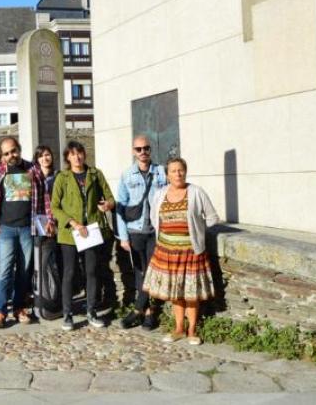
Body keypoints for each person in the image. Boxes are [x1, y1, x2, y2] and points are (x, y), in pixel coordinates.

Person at [144, 157, 219, 346]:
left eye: (181, 170)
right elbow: (154, 218)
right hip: (167, 252)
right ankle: (178, 328)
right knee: (175, 292)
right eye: (173, 171)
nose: (178, 174)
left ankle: (192, 329)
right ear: (167, 175)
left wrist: (197, 230)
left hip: (191, 252)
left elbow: (212, 218)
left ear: (185, 172)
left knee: (191, 293)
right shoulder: (160, 194)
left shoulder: (196, 192)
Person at [0, 137, 54, 329]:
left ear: (19, 149)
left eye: (13, 151)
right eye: (6, 153)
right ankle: (0, 310)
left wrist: (48, 221)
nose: (11, 155)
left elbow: (45, 198)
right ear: (2, 156)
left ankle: (19, 307)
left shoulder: (33, 169)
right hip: (5, 229)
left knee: (24, 270)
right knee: (4, 270)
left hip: (27, 228)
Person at [51, 141, 116, 331]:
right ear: (67, 157)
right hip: (70, 233)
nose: (77, 157)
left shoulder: (95, 174)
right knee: (70, 273)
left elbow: (110, 198)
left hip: (91, 231)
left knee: (91, 272)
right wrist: (73, 223)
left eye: (79, 153)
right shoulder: (62, 177)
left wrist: (107, 205)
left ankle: (91, 311)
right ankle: (67, 314)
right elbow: (55, 207)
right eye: (72, 154)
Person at [117, 135, 168, 331]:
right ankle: (148, 312)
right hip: (135, 231)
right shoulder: (127, 175)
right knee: (140, 272)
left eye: (146, 148)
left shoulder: (161, 172)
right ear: (133, 151)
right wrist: (123, 237)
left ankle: (139, 310)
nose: (143, 152)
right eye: (138, 149)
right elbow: (120, 207)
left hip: (154, 231)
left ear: (150, 150)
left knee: (151, 271)